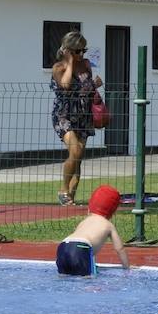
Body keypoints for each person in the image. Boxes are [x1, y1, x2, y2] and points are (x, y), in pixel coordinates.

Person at [50, 30, 102, 205]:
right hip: (64, 116)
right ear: (69, 50)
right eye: (78, 51)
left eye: (83, 50)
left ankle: (70, 197)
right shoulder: (59, 68)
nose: (82, 55)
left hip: (83, 114)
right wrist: (70, 62)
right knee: (76, 151)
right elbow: (65, 85)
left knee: (78, 158)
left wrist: (95, 84)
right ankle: (63, 190)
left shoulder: (86, 64)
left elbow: (87, 88)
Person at [55, 185, 130, 275]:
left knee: (64, 277)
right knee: (87, 280)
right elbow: (119, 249)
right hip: (81, 247)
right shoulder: (108, 225)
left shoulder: (84, 222)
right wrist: (127, 267)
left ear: (90, 207)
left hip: (63, 247)